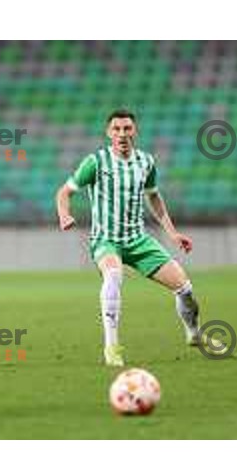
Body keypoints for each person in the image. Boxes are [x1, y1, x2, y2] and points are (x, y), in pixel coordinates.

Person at [56, 108, 203, 367]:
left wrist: (172, 232)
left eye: (127, 128)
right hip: (106, 239)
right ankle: (111, 347)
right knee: (113, 276)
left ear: (135, 131)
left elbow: (154, 197)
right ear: (108, 132)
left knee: (185, 289)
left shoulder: (146, 162)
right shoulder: (96, 162)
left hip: (138, 240)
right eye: (116, 129)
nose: (122, 134)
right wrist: (64, 215)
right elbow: (64, 192)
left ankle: (193, 333)